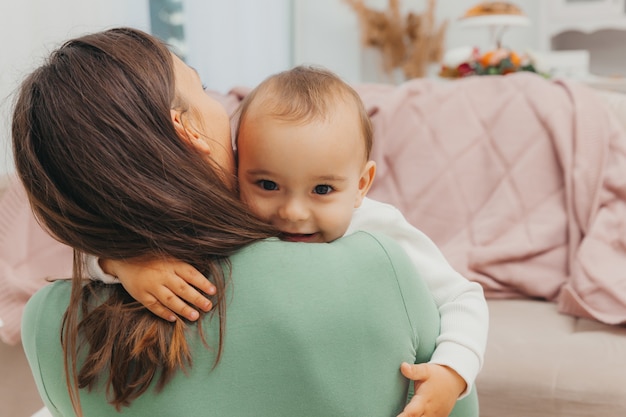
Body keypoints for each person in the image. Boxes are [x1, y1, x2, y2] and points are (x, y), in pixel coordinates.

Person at [13, 27, 478, 417]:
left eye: (322, 189)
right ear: (187, 128)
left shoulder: (50, 321)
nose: (294, 214)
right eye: (204, 87)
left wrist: (118, 264)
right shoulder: (381, 268)